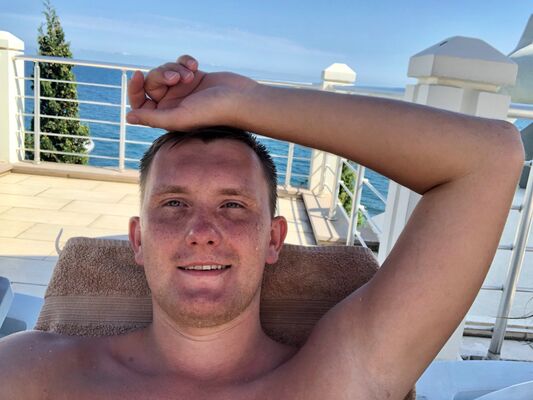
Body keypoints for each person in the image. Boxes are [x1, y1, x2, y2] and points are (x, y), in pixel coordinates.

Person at [0, 54, 524, 400]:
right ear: (138, 240)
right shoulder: (34, 369)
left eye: (233, 205)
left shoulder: (335, 377)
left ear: (273, 239)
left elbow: (488, 157)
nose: (202, 230)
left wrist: (247, 101)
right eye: (175, 204)